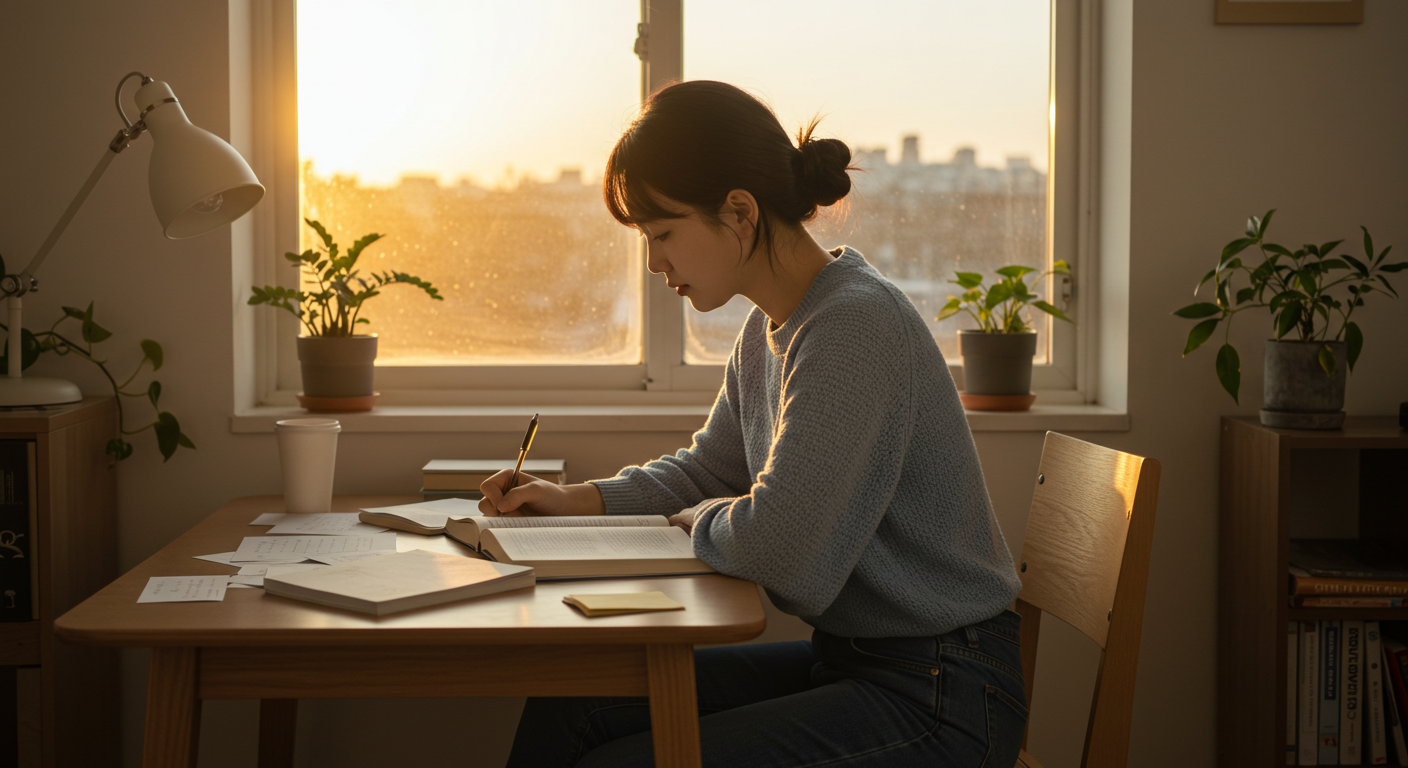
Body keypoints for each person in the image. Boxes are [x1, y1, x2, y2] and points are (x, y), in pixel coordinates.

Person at [479, 80, 1027, 768]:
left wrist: (695, 519)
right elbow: (712, 470)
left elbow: (780, 550)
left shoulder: (854, 325)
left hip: (942, 695)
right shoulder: (773, 326)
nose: (655, 263)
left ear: (738, 211)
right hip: (860, 665)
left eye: (664, 233)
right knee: (575, 706)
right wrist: (578, 500)